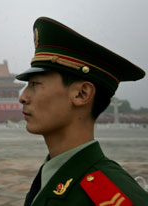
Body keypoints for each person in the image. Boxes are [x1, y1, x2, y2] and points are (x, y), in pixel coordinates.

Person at [17, 17, 148, 205]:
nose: (22, 97)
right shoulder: (53, 172)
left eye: (34, 84)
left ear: (81, 94)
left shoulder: (108, 197)